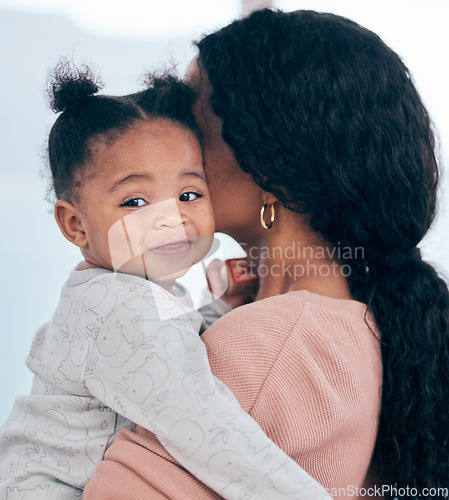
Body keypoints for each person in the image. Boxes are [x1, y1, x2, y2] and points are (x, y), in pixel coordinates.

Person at [84, 8, 449, 500]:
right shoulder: (333, 328)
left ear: (268, 166)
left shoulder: (278, 342)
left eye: (191, 108)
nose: (170, 132)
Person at [0, 61, 332, 500]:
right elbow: (204, 425)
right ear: (75, 224)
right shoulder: (119, 306)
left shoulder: (117, 294)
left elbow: (163, 352)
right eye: (135, 201)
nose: (171, 218)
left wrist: (218, 310)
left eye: (189, 194)